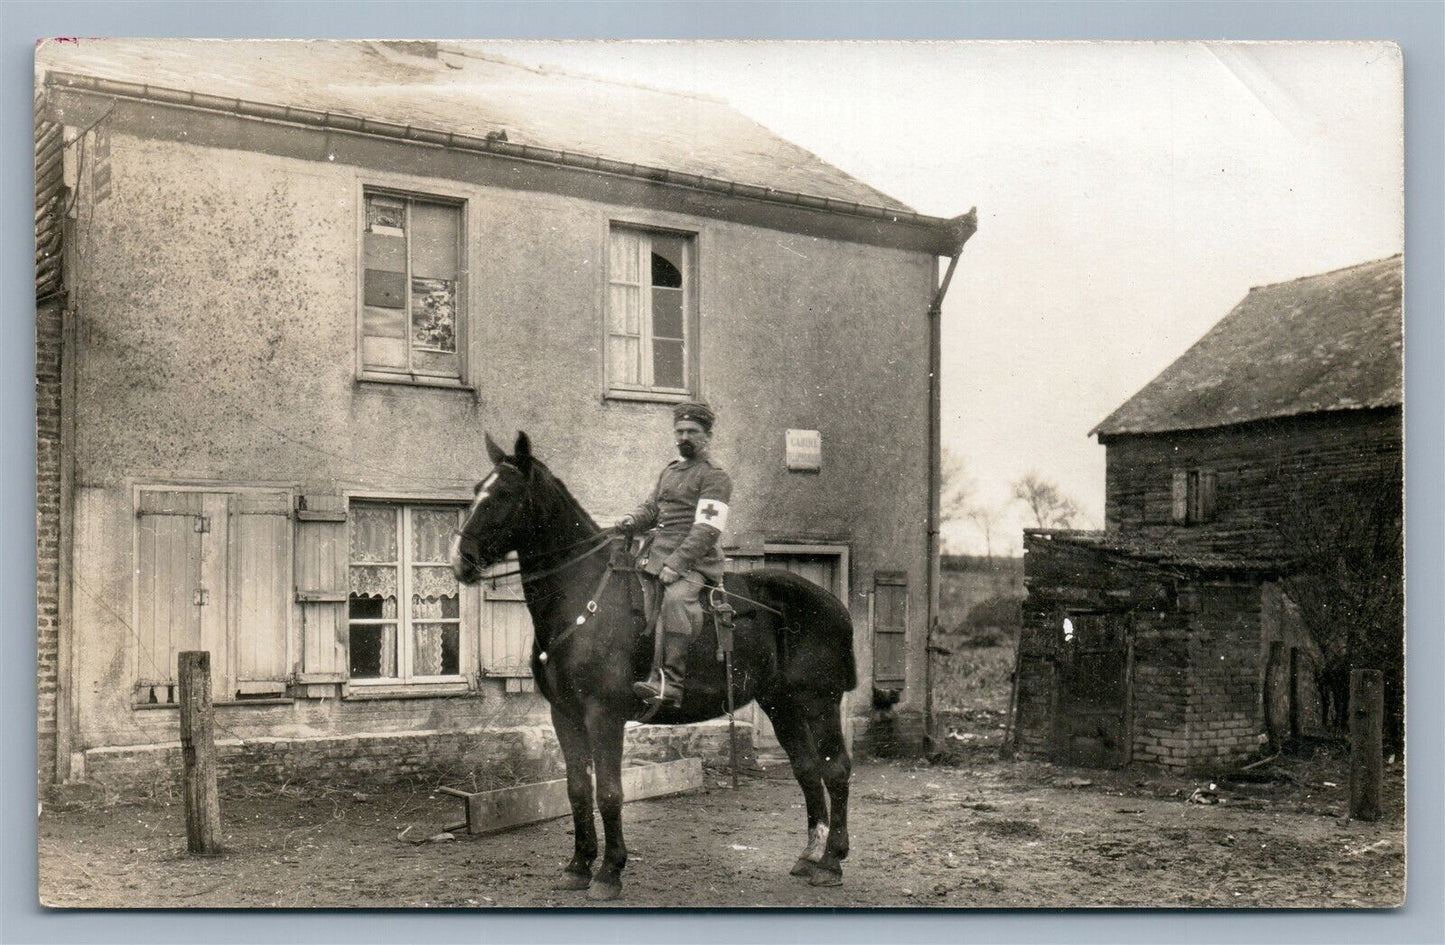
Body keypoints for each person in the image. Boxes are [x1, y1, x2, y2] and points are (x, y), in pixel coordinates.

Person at [617, 401, 732, 707]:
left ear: (707, 435)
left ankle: (671, 682)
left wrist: (678, 564)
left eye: (692, 431)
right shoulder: (670, 471)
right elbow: (653, 507)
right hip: (655, 554)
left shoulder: (714, 476)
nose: (684, 436)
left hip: (695, 560)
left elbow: (707, 530)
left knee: (677, 600)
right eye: (680, 431)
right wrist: (633, 519)